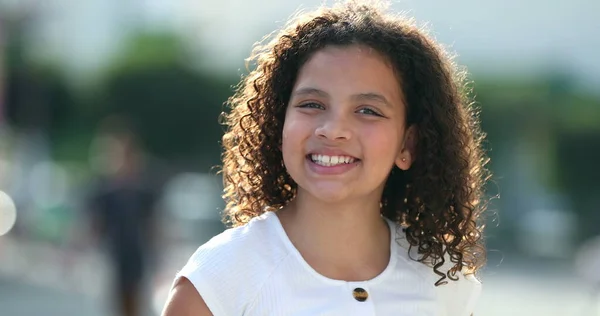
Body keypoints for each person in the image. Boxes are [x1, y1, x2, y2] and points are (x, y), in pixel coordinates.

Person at [162, 1, 490, 315]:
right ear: (279, 124)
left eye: (367, 110)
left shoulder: (443, 282)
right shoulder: (219, 282)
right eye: (312, 104)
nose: (333, 130)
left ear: (408, 145)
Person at [87, 116, 160, 316]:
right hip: (113, 255)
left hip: (136, 255)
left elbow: (152, 226)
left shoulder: (144, 191)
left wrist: (157, 255)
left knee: (134, 303)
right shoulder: (105, 192)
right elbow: (96, 225)